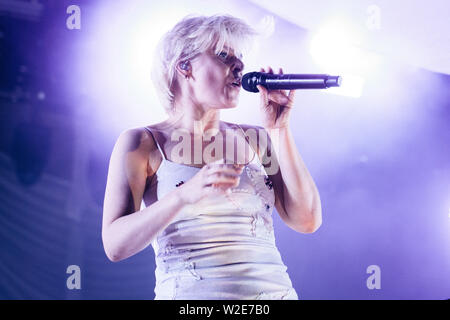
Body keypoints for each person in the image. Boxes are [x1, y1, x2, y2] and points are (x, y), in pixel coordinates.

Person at [102, 14, 322, 300]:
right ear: (184, 66)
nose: (239, 65)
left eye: (240, 58)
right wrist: (182, 196)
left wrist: (279, 129)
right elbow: (115, 245)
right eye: (223, 55)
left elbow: (306, 220)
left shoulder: (256, 139)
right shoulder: (143, 142)